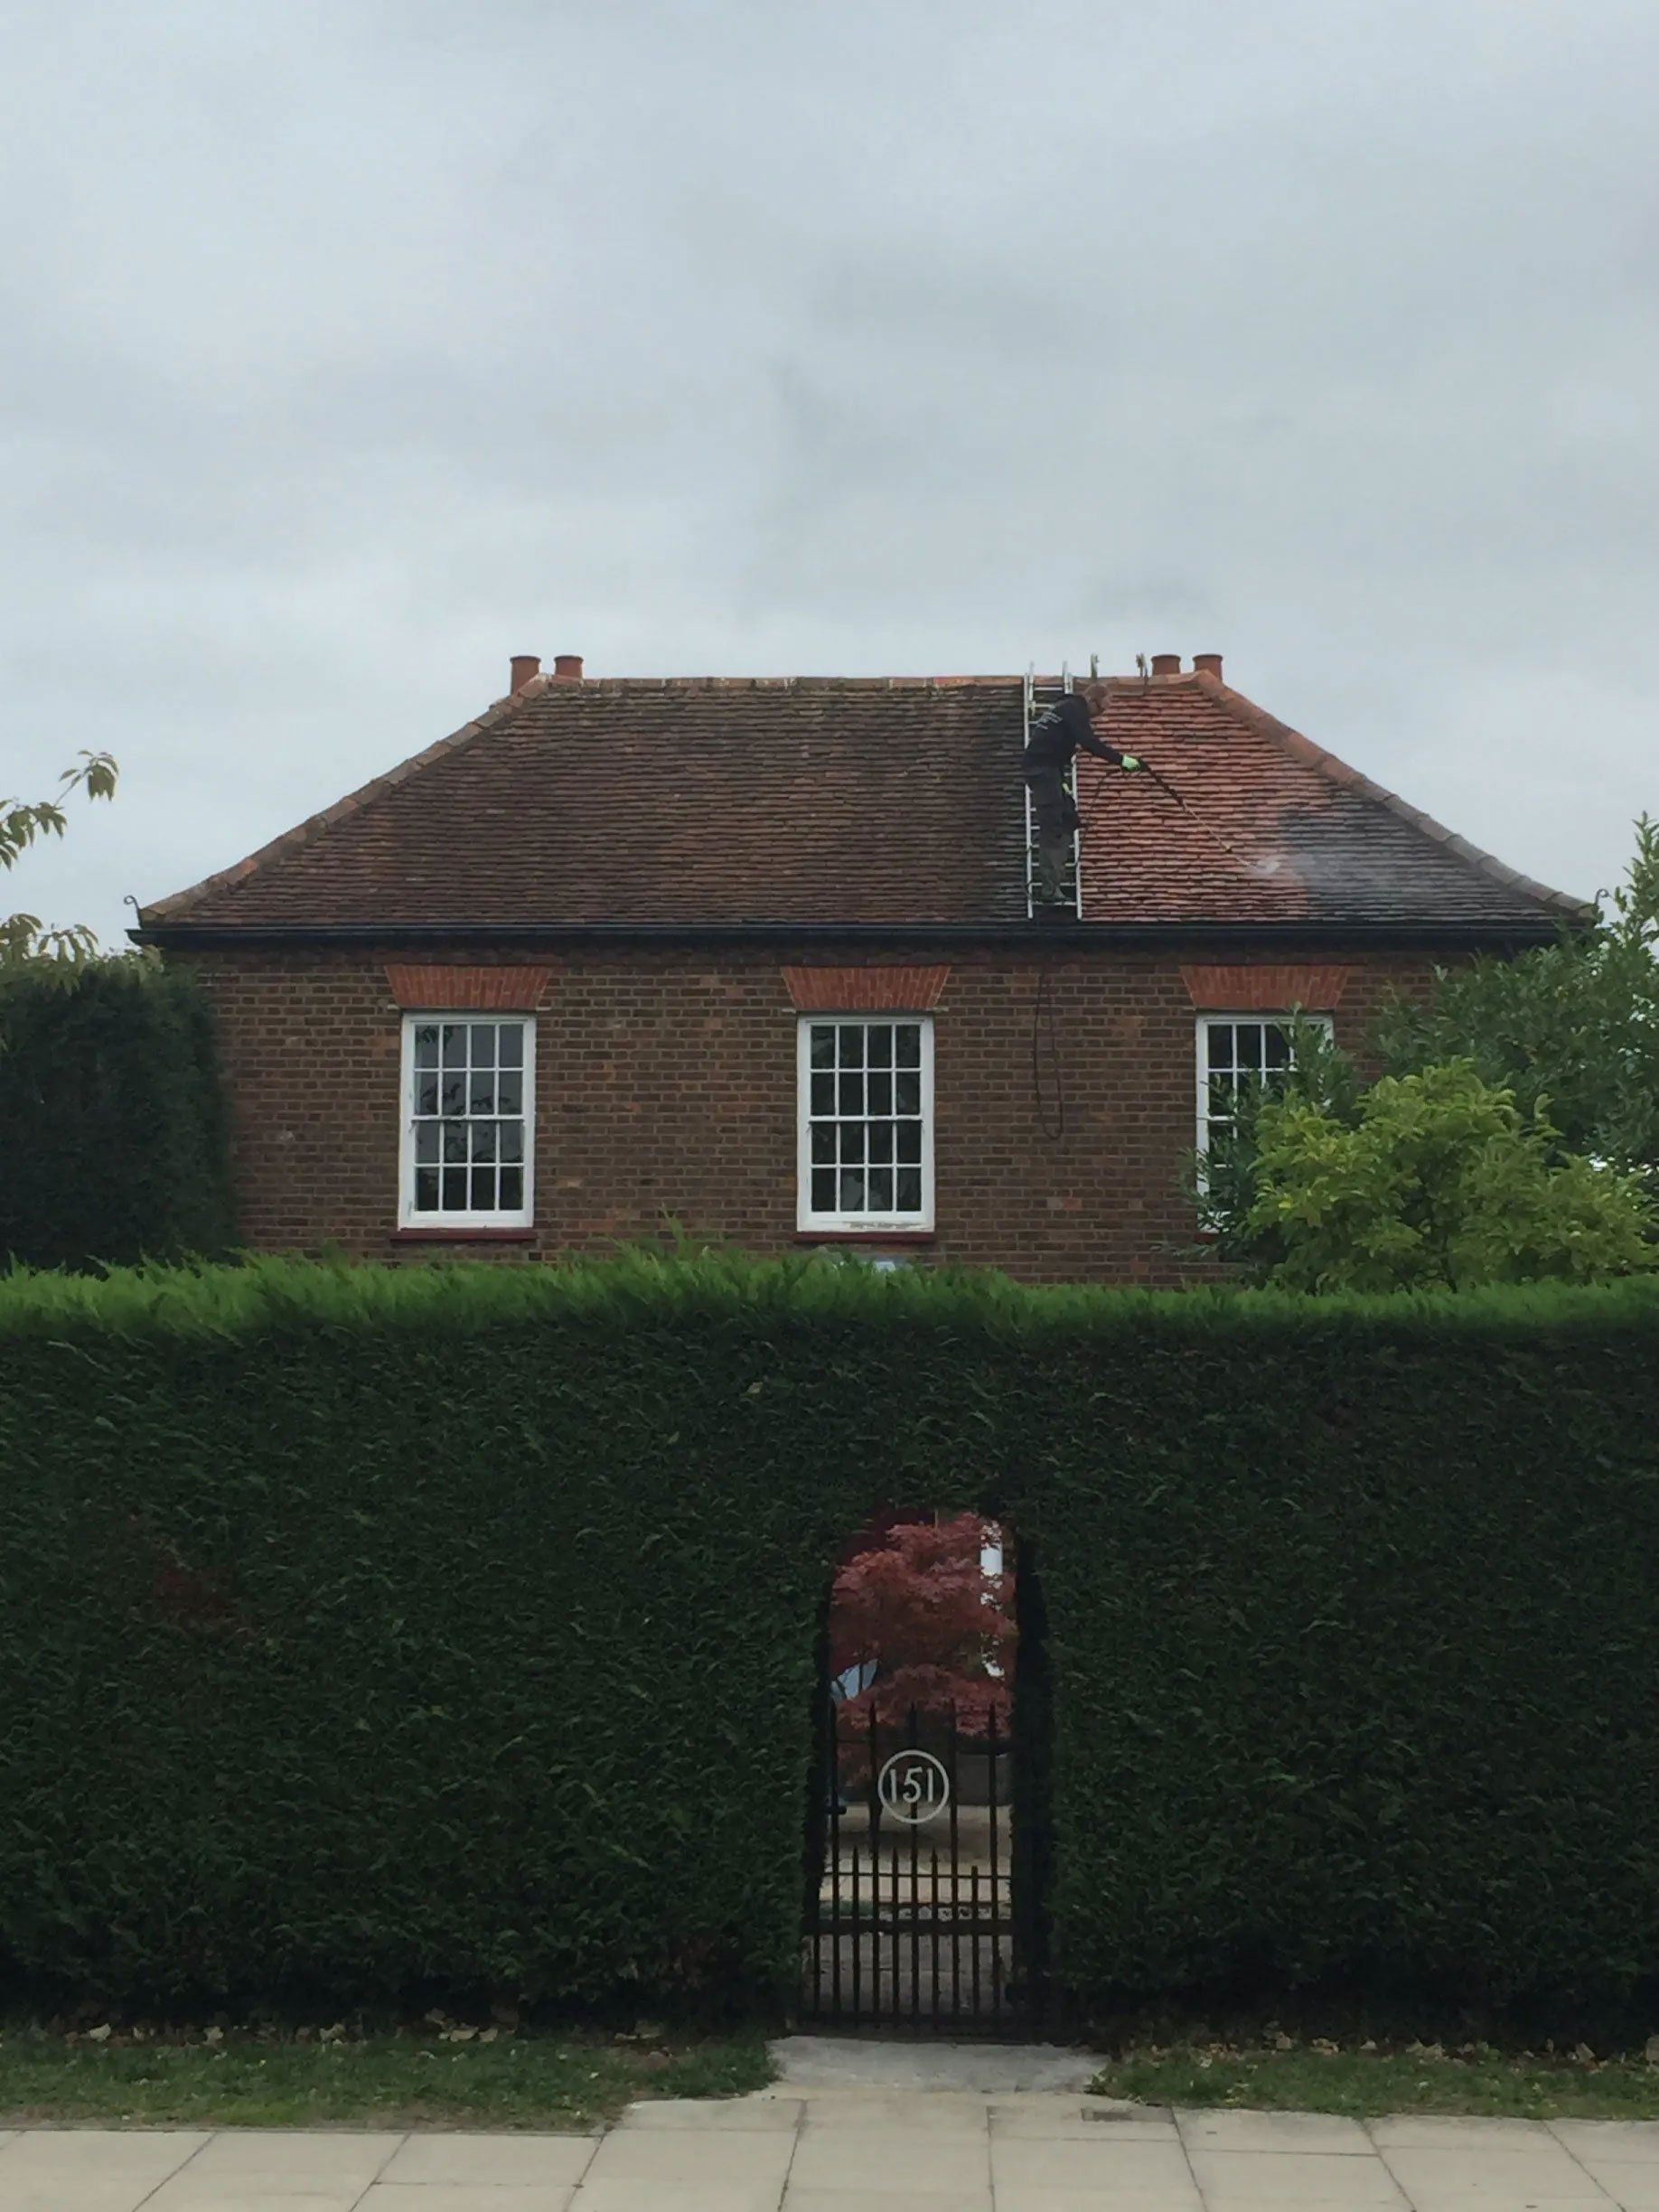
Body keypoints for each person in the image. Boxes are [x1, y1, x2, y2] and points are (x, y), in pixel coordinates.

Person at [1022, 693, 1139, 907]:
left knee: (1068, 818)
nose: (1098, 716)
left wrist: (1063, 780)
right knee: (1054, 825)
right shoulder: (1074, 710)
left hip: (1050, 771)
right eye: (1101, 710)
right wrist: (1122, 760)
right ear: (1093, 701)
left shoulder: (1063, 708)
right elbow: (1089, 743)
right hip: (1043, 772)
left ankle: (1057, 878)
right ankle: (1050, 889)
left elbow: (1055, 747)